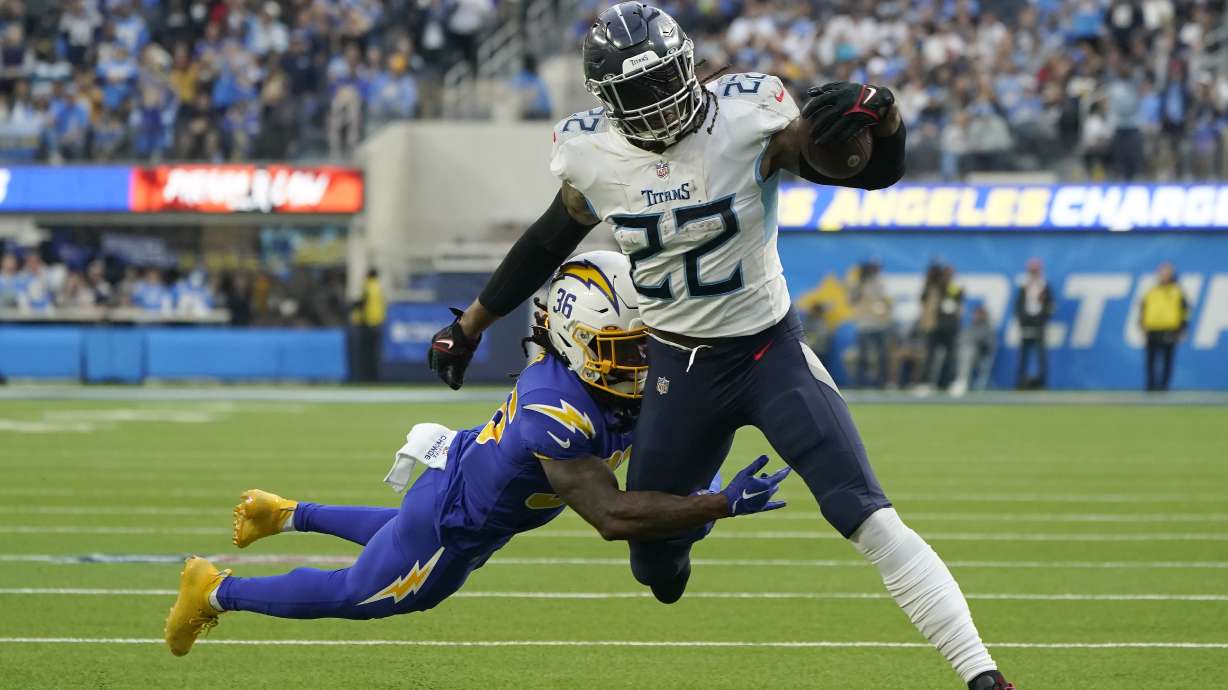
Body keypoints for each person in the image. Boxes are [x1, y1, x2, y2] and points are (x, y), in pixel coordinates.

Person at [424, 5, 1012, 689]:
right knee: (656, 569)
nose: (657, 102)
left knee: (865, 512)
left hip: (769, 351)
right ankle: (688, 526)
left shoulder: (749, 116)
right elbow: (547, 241)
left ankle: (983, 674)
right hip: (677, 366)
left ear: (689, 65)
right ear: (608, 101)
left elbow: (869, 172)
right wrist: (468, 325)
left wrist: (883, 117)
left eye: (664, 80)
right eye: (636, 93)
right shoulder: (592, 155)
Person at [163, 251, 789, 656]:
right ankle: (215, 590)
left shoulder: (584, 372)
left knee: (402, 529)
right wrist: (718, 503)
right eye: (626, 350)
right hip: (461, 520)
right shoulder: (559, 412)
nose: (642, 363)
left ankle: (288, 513)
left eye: (645, 346)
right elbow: (612, 517)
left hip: (462, 469)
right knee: (362, 593)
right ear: (578, 341)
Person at [1139, 261, 1188, 391]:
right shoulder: (1151, 291)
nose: (1164, 274)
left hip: (1169, 330)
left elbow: (1185, 311)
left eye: (1167, 272)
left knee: (1167, 361)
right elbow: (1143, 309)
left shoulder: (1177, 291)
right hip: (1153, 329)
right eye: (1162, 272)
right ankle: (1150, 387)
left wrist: (1183, 329)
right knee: (1150, 361)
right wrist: (1142, 325)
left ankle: (1164, 387)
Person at [851, 260, 892, 388]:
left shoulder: (881, 282)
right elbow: (853, 300)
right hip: (864, 324)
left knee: (882, 355)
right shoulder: (858, 284)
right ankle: (860, 383)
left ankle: (882, 383)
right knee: (863, 356)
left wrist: (884, 312)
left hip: (879, 324)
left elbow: (886, 302)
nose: (875, 272)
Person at [1014, 258, 1054, 390]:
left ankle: (1042, 382)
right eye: (1031, 270)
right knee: (1023, 354)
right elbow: (1018, 306)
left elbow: (1050, 306)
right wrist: (1022, 320)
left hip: (1039, 324)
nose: (1033, 273)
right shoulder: (1024, 286)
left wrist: (1042, 319)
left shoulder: (1045, 286)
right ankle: (1021, 381)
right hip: (1026, 323)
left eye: (1035, 270)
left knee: (1040, 354)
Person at [950, 305, 996, 397]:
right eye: (976, 314)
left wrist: (979, 344)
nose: (977, 316)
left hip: (981, 356)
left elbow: (991, 345)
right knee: (965, 352)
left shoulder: (988, 329)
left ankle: (962, 381)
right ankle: (961, 381)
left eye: (979, 315)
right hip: (965, 354)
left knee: (968, 352)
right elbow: (960, 340)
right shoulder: (969, 328)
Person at [349, 268, 386, 382]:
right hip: (377, 323)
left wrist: (352, 307)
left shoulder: (368, 287)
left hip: (367, 324)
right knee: (374, 353)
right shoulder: (379, 288)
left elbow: (362, 304)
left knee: (365, 353)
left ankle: (364, 377)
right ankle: (375, 377)